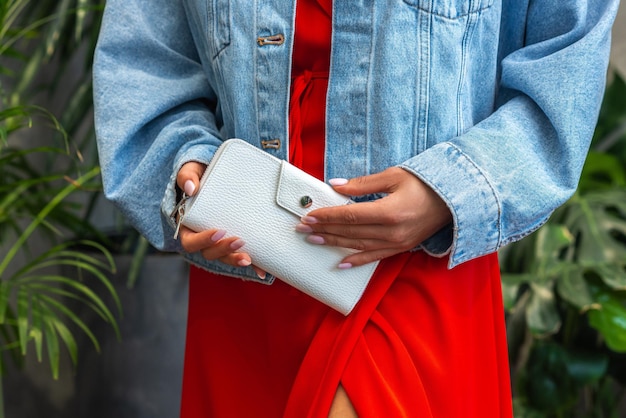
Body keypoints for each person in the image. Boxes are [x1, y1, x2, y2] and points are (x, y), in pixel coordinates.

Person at [92, 0, 619, 416]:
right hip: (247, 256)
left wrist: (449, 190)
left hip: (414, 260)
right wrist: (188, 169)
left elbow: (565, 58)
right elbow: (147, 60)